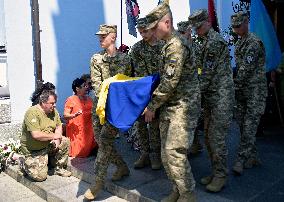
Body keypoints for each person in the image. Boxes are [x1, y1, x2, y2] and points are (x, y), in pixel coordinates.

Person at [143, 3, 201, 201]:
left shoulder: (176, 45)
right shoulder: (167, 44)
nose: (151, 33)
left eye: (153, 28)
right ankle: (177, 190)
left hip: (183, 107)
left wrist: (151, 106)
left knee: (174, 153)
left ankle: (188, 195)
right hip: (171, 106)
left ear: (166, 23)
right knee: (166, 154)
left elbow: (169, 82)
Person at [84, 24, 132, 201]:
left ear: (113, 37)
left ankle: (97, 182)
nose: (100, 39)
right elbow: (97, 85)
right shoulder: (96, 59)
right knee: (101, 140)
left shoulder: (126, 60)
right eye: (99, 36)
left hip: (116, 110)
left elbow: (128, 85)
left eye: (104, 36)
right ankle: (122, 166)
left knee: (104, 141)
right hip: (100, 107)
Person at [188, 9, 234, 192]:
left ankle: (221, 175)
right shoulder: (204, 40)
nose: (196, 30)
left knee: (216, 138)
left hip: (220, 97)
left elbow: (206, 75)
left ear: (207, 22)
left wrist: (191, 96)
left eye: (199, 26)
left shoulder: (214, 42)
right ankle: (215, 172)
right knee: (207, 136)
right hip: (210, 97)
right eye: (195, 27)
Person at [231, 12, 267, 175]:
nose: (237, 30)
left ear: (246, 23)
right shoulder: (240, 42)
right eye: (235, 27)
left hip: (254, 92)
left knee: (250, 126)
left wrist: (232, 86)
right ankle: (252, 156)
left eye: (239, 26)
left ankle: (241, 159)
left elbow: (245, 69)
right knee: (243, 124)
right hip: (242, 92)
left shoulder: (253, 43)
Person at [128, 17, 164, 170]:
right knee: (141, 125)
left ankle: (156, 155)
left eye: (145, 31)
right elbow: (132, 72)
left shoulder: (163, 47)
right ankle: (144, 154)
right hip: (141, 93)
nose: (143, 34)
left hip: (159, 92)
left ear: (153, 28)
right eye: (140, 32)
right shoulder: (136, 49)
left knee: (155, 125)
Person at [20, 90, 71, 182]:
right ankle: (23, 162)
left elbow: (59, 125)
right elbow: (36, 135)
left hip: (47, 145)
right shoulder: (32, 112)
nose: (54, 105)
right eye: (52, 103)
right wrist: (54, 136)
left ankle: (58, 167)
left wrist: (58, 138)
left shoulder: (53, 111)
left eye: (55, 103)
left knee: (65, 141)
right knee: (41, 177)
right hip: (33, 150)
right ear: (43, 102)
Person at [177, 20, 204, 155]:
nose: (183, 35)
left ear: (190, 32)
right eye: (180, 32)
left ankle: (195, 143)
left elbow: (203, 65)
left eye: (185, 32)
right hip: (184, 88)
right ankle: (191, 145)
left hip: (196, 86)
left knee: (194, 118)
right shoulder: (179, 48)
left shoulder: (196, 47)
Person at [64, 78, 97, 158]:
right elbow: (65, 116)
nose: (87, 87)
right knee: (78, 154)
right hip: (76, 131)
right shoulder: (71, 100)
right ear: (77, 89)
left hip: (89, 129)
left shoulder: (89, 99)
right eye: (84, 86)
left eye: (87, 85)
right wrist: (74, 115)